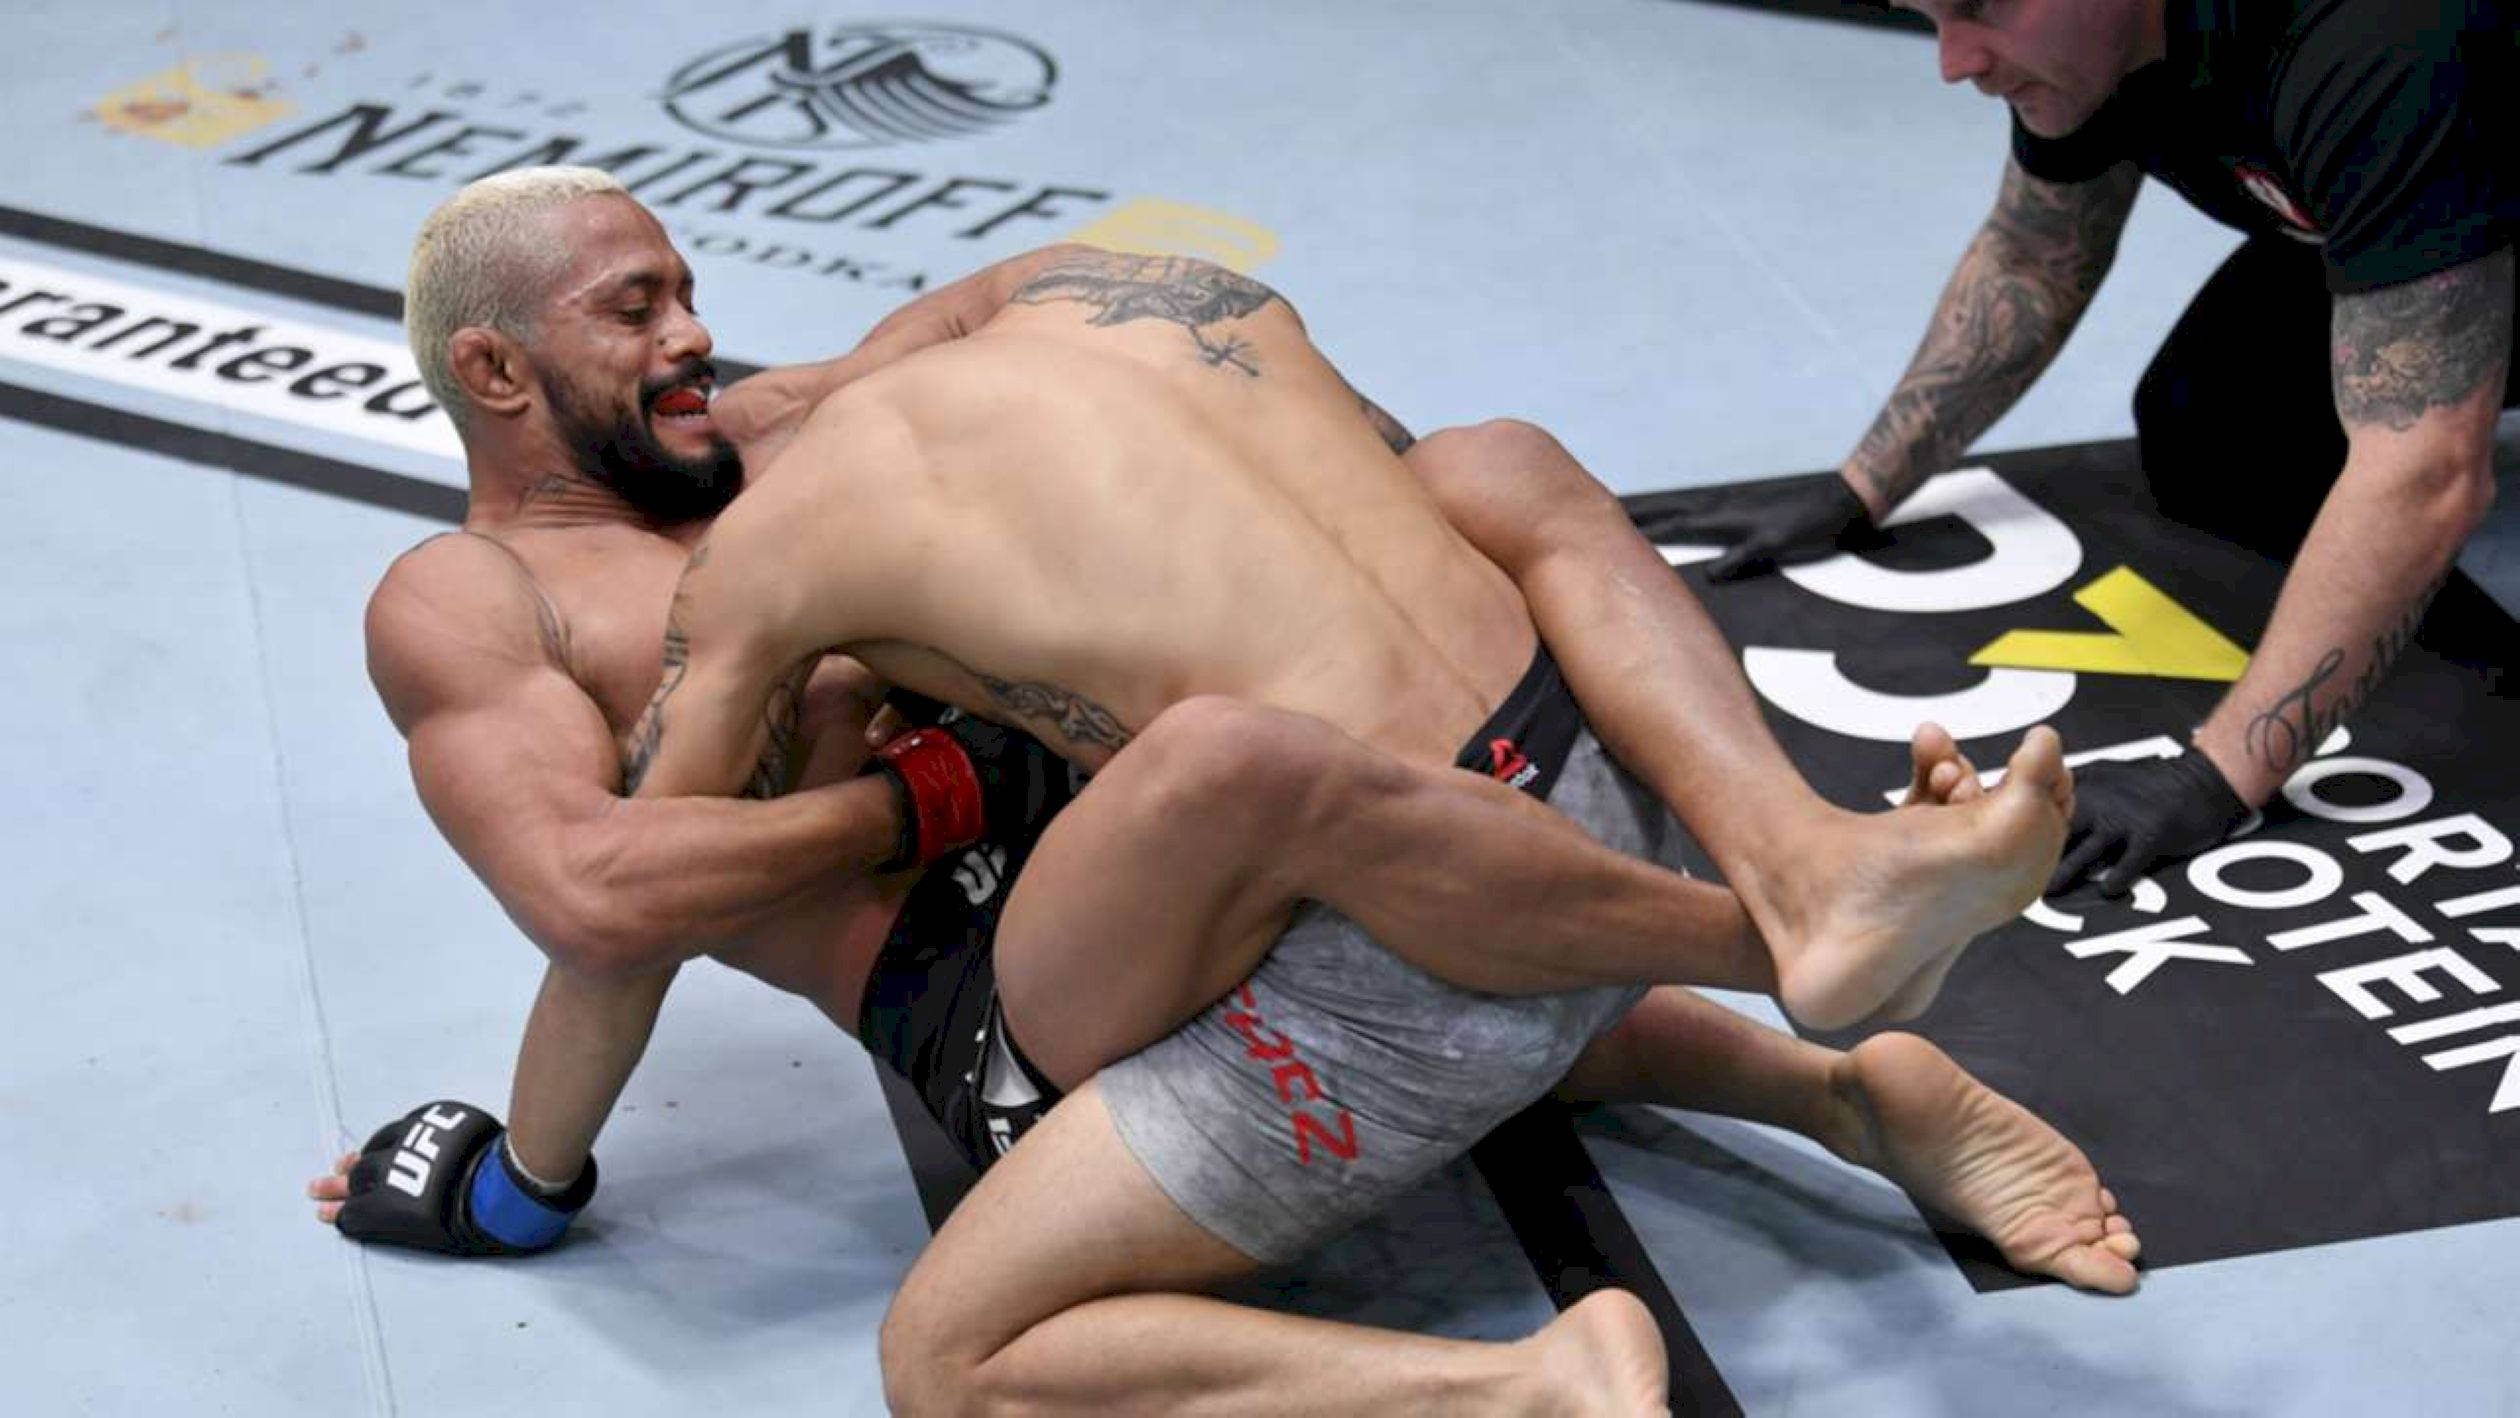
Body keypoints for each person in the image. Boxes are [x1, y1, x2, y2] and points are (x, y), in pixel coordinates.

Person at [568, 170, 2109, 1402]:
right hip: (1609, 781)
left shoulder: (751, 572)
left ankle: (1528, 1384)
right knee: (1483, 468)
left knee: (950, 1354)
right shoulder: (1132, 300)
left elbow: (617, 907)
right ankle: (1813, 947)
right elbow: (1387, 504)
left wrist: (529, 1166)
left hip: (1408, 961)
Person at [1665, 0, 2517, 897]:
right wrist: (1862, 485)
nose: (1955, 62)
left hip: (2463, 157)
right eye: (1932, 17)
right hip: (2436, 200)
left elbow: (2424, 472)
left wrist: (2218, 776)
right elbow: (2035, 259)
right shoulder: (2090, 48)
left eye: (1979, 7)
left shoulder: (2377, 45)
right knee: (2211, 427)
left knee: (2405, 459)